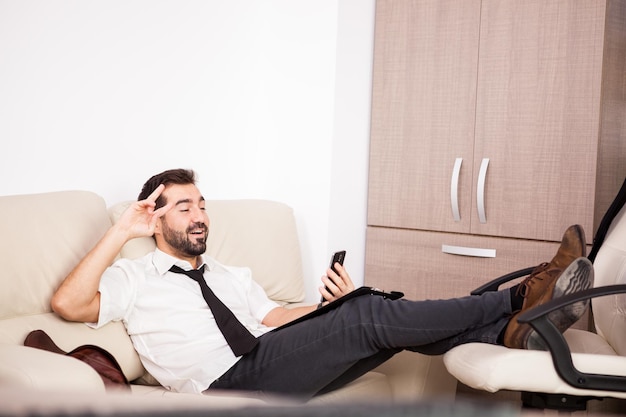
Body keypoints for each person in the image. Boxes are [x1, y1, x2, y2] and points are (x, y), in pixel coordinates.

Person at [51, 168, 593, 400]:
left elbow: (274, 321)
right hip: (224, 386)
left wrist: (331, 306)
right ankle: (519, 301)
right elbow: (67, 304)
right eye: (184, 206)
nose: (199, 216)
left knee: (366, 307)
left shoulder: (229, 275)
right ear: (154, 217)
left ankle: (510, 328)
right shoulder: (133, 275)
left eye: (203, 205)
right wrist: (121, 229)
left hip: (268, 359)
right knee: (367, 315)